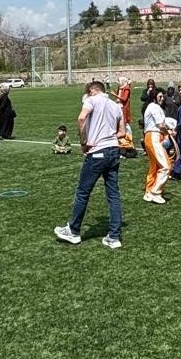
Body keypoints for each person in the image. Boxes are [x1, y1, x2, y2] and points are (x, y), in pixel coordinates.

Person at [54, 80, 124, 249]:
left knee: (83, 192)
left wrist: (84, 140)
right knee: (113, 194)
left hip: (97, 152)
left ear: (92, 90)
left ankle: (74, 231)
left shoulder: (92, 100)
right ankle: (114, 237)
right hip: (114, 150)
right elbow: (121, 132)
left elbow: (81, 118)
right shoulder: (116, 106)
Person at [142, 88, 171, 204]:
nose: (162, 98)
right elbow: (160, 125)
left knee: (154, 167)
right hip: (154, 136)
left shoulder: (151, 107)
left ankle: (149, 191)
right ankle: (155, 192)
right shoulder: (154, 107)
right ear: (154, 97)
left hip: (150, 137)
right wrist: (168, 133)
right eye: (160, 96)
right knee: (166, 166)